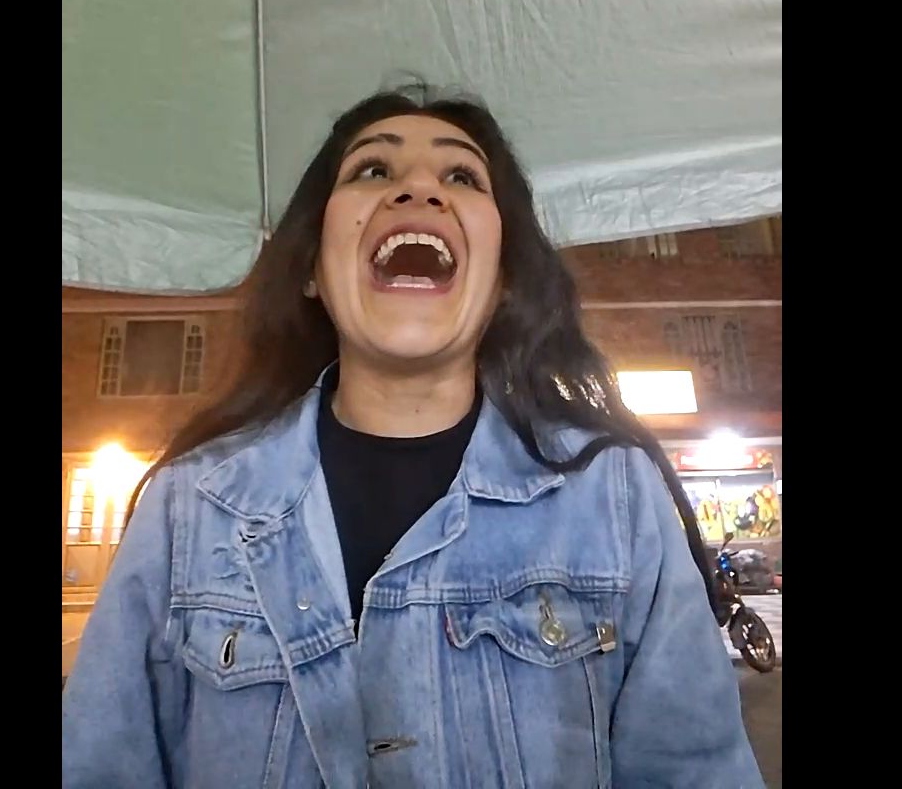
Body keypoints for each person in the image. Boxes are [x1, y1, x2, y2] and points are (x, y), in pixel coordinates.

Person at [62, 84, 764, 788]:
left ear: (504, 278)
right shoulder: (188, 505)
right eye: (373, 169)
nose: (419, 189)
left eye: (461, 176)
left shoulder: (615, 495)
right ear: (311, 268)